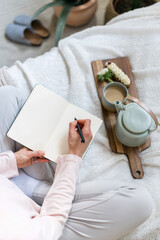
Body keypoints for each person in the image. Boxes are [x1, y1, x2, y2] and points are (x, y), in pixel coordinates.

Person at [0, 86, 153, 240]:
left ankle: (29, 186)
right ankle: (39, 192)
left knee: (8, 95)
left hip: (8, 186)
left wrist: (13, 161)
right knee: (141, 202)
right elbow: (50, 224)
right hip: (45, 227)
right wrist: (73, 157)